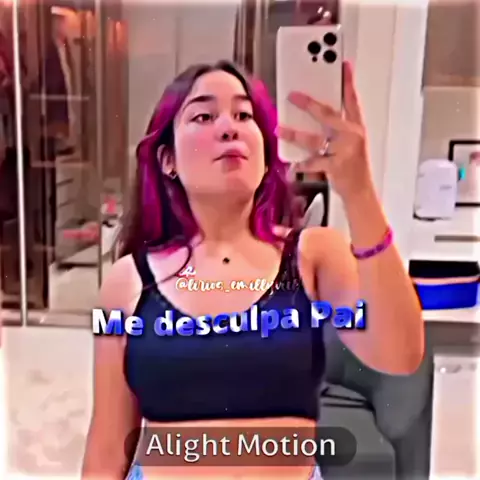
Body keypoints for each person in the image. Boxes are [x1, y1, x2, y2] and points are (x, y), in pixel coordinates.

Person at [81, 60, 424, 480]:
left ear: (264, 155)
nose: (230, 128)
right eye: (204, 116)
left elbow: (400, 354)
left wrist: (358, 190)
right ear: (168, 159)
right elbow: (107, 448)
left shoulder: (312, 255)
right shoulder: (128, 283)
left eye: (244, 115)